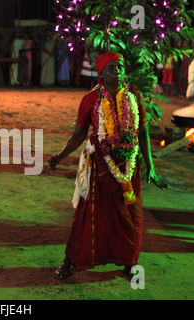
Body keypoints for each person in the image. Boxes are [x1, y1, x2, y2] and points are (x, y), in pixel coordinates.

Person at [48, 52, 167, 280]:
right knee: (87, 215)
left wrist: (150, 166)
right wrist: (60, 157)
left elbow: (142, 132)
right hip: (100, 166)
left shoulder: (134, 95)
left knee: (130, 217)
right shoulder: (91, 100)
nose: (118, 71)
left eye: (120, 67)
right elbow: (79, 134)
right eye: (111, 68)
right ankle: (70, 259)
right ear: (101, 74)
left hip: (129, 168)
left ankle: (129, 263)